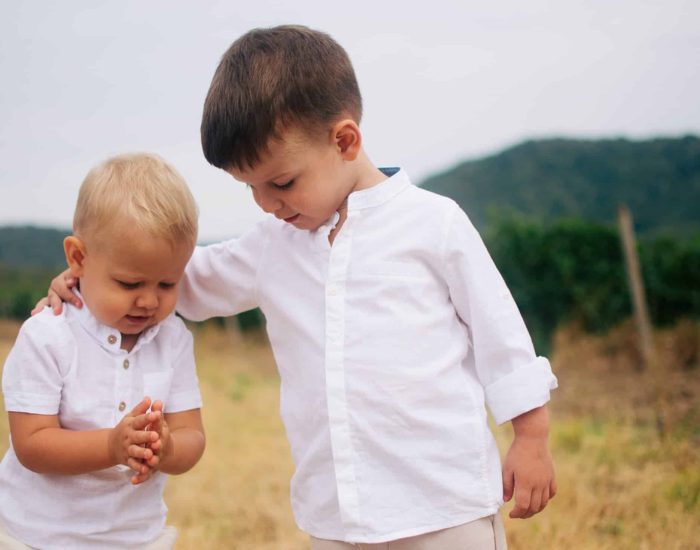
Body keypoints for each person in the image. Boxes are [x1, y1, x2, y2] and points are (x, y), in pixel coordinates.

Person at [39, 25, 557, 549]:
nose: (266, 203)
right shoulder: (271, 246)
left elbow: (502, 338)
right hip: (334, 516)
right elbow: (175, 279)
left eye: (281, 183)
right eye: (251, 188)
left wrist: (531, 437)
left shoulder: (433, 224)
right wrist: (91, 280)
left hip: (445, 507)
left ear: (344, 140)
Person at [4, 153, 205, 549]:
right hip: (36, 537)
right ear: (78, 258)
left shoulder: (173, 339)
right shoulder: (48, 336)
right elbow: (31, 444)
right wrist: (112, 445)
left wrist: (168, 447)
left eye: (167, 284)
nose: (149, 301)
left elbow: (192, 436)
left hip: (135, 538)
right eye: (130, 284)